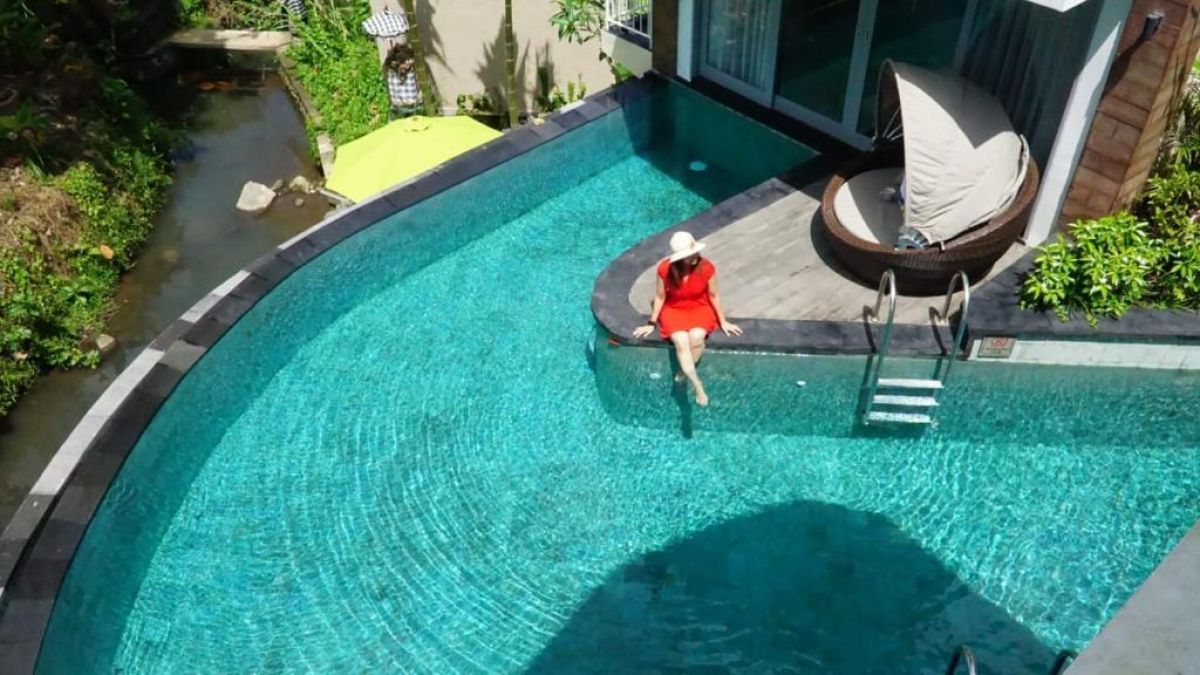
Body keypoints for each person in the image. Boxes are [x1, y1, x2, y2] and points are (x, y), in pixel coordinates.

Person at [632, 231, 742, 406]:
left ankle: (684, 373)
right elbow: (660, 297)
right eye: (688, 255)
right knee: (681, 340)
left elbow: (713, 295)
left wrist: (723, 321)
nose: (693, 257)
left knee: (697, 338)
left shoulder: (707, 268)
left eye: (693, 253)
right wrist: (651, 323)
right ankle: (698, 385)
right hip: (674, 309)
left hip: (700, 307)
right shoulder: (665, 269)